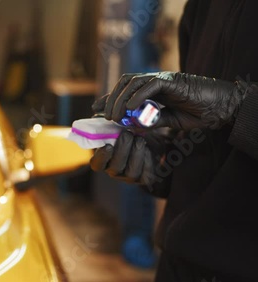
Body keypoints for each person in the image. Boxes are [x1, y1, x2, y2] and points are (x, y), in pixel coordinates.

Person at [90, 1, 258, 281]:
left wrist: (238, 107)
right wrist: (160, 164)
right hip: (178, 265)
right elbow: (205, 147)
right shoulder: (202, 7)